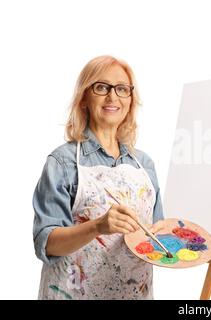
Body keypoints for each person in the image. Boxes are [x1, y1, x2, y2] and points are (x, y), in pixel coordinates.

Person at [32, 55, 164, 300]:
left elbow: (155, 237)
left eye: (122, 89)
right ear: (84, 98)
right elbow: (47, 243)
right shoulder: (62, 162)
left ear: (130, 100)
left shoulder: (144, 165)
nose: (113, 96)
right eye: (102, 87)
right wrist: (97, 226)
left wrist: (178, 241)